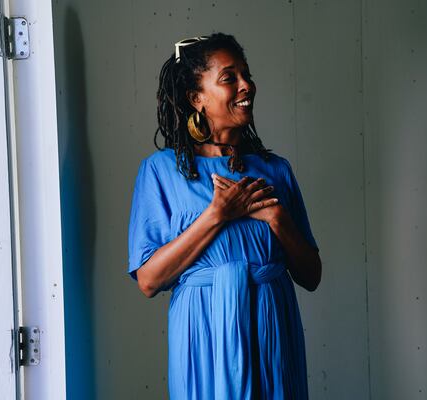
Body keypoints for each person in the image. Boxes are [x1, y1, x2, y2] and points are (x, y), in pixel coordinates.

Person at [127, 32, 322, 399]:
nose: (247, 85)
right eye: (229, 78)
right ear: (196, 98)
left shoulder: (275, 171)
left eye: (246, 74)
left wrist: (278, 219)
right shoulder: (160, 172)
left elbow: (311, 275)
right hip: (203, 334)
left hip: (270, 330)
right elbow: (149, 281)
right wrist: (216, 214)